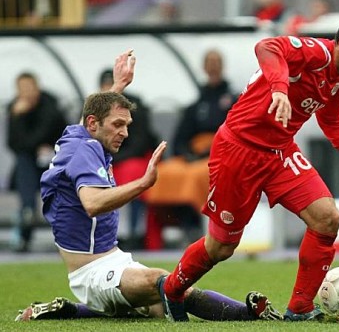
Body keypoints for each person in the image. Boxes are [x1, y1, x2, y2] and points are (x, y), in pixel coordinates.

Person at [14, 50, 281, 323]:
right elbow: (92, 204)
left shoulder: (77, 134)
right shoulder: (84, 151)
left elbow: (92, 114)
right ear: (95, 124)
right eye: (118, 124)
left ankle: (67, 310)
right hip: (91, 272)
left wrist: (117, 86)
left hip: (114, 259)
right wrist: (144, 183)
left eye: (127, 125)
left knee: (160, 304)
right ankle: (250, 315)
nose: (125, 133)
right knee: (165, 282)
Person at [157, 15, 339, 322]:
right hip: (238, 150)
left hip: (280, 151)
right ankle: (173, 290)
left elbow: (332, 122)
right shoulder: (317, 53)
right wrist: (280, 88)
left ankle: (300, 308)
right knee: (222, 246)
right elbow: (267, 46)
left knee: (327, 218)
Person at [141, 49, 237, 249]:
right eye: (209, 62)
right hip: (195, 155)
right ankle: (181, 223)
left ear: (223, 66)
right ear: (203, 67)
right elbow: (180, 138)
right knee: (166, 172)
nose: (213, 66)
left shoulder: (234, 100)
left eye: (216, 61)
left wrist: (210, 151)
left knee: (196, 176)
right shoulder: (195, 105)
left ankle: (195, 223)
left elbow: (236, 133)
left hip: (220, 155)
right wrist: (187, 154)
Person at [6, 72, 67, 252]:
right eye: (21, 89)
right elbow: (13, 144)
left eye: (29, 87)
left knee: (57, 190)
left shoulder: (50, 106)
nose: (26, 93)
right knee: (24, 163)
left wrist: (44, 147)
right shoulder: (15, 109)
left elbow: (51, 135)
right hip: (29, 163)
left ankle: (61, 235)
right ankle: (27, 213)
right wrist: (17, 118)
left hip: (55, 161)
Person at [98, 68, 159, 248]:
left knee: (132, 173)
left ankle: (134, 232)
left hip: (129, 159)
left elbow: (139, 143)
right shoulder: (94, 110)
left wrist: (112, 158)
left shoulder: (134, 107)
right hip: (109, 159)